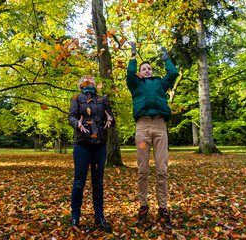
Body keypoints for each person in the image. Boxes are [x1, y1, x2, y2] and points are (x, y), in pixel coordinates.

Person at [126, 42, 179, 230]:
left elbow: (173, 74)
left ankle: (163, 208)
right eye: (144, 69)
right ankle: (143, 207)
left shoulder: (159, 83)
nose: (147, 70)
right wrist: (133, 56)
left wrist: (166, 58)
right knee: (142, 170)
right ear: (140, 72)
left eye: (149, 68)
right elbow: (129, 74)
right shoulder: (135, 84)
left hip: (159, 127)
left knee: (162, 169)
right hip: (142, 128)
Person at [68, 75, 114, 233]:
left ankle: (99, 216)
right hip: (82, 145)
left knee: (98, 182)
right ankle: (75, 216)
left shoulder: (103, 99)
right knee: (79, 181)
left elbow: (109, 117)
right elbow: (72, 117)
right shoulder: (76, 98)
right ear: (80, 84)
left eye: (92, 78)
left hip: (99, 146)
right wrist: (77, 123)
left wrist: (111, 119)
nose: (89, 79)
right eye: (86, 78)